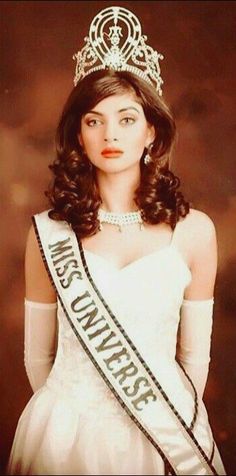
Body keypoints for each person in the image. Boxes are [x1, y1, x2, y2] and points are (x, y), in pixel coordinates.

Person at [7, 5, 226, 476]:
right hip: (63, 440)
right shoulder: (48, 233)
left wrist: (162, 426)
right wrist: (77, 418)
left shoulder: (195, 232)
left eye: (127, 119)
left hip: (164, 435)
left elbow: (193, 361)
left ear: (151, 131)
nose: (110, 134)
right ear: (78, 136)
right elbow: (37, 360)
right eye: (93, 120)